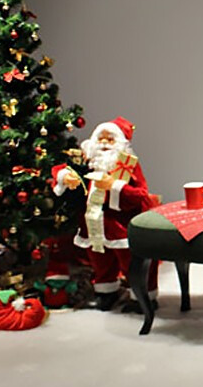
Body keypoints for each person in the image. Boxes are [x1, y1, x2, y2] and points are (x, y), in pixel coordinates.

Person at [51, 116, 158, 311]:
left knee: (130, 262)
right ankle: (106, 292)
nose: (104, 143)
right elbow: (61, 168)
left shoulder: (128, 165)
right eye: (101, 138)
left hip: (120, 223)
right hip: (93, 221)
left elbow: (140, 194)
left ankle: (143, 297)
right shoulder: (87, 159)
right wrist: (65, 177)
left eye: (110, 139)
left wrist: (114, 186)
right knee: (100, 260)